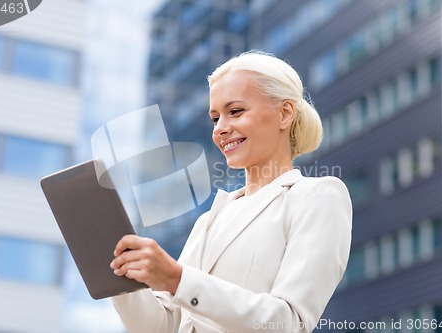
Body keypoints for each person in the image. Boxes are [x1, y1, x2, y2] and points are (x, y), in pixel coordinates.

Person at [110, 50, 353, 333]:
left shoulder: (318, 197)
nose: (220, 129)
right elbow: (162, 326)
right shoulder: (211, 219)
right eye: (215, 118)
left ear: (284, 113)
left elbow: (288, 322)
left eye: (235, 111)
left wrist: (178, 279)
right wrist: (115, 273)